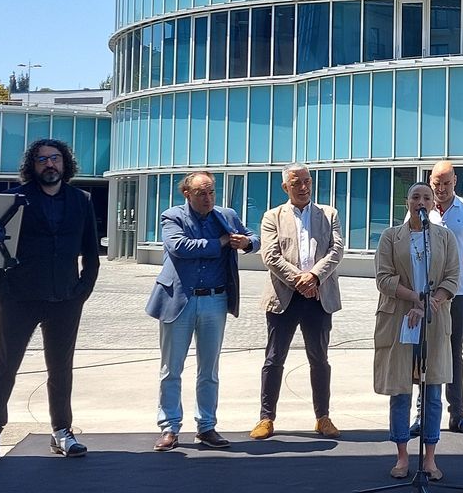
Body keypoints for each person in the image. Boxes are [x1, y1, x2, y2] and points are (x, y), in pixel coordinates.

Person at [0, 139, 101, 464]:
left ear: (65, 163)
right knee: (5, 367)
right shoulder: (13, 200)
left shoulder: (81, 200)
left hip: (65, 298)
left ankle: (62, 430)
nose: (50, 164)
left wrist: (82, 290)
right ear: (32, 165)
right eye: (42, 159)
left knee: (61, 369)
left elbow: (91, 250)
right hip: (19, 297)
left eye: (55, 158)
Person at [147, 171, 259, 452]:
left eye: (211, 192)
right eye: (201, 193)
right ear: (187, 193)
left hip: (215, 300)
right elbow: (180, 247)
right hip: (180, 300)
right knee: (171, 368)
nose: (208, 198)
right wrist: (220, 243)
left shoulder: (226, 215)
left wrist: (246, 243)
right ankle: (170, 427)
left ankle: (206, 426)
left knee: (209, 369)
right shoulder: (172, 216)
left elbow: (252, 238)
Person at [250, 165, 345, 441]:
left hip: (319, 297)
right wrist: (300, 280)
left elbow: (336, 249)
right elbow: (270, 255)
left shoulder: (329, 214)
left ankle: (322, 417)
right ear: (285, 187)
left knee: (319, 359)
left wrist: (314, 276)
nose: (303, 187)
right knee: (274, 358)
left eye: (307, 181)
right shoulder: (272, 217)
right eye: (296, 183)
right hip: (284, 298)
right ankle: (266, 418)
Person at [373, 183, 459, 481]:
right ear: (406, 202)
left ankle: (431, 458)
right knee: (400, 391)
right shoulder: (389, 237)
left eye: (426, 197)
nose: (421, 201)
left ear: (433, 204)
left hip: (434, 318)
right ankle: (401, 456)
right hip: (400, 317)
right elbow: (383, 279)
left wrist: (431, 302)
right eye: (415, 197)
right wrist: (414, 298)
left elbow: (452, 277)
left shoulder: (444, 237)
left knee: (433, 389)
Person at [409, 161, 463, 436]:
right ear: (430, 182)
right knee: (423, 351)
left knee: (454, 352)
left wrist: (460, 275)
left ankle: (458, 414)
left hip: (457, 294)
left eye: (446, 183)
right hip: (423, 294)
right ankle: (422, 415)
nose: (441, 189)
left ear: (455, 181)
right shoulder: (419, 211)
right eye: (436, 184)